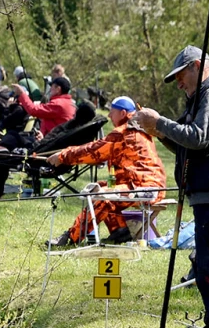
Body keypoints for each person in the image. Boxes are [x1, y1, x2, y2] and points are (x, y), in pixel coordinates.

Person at [131, 45, 209, 328]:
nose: (179, 84)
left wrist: (159, 123)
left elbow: (198, 137)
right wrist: (160, 133)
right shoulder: (202, 94)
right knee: (206, 260)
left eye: (181, 76)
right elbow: (189, 146)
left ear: (197, 66)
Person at [45, 96, 168, 246]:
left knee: (102, 195)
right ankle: (120, 232)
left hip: (147, 189)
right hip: (147, 186)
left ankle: (71, 238)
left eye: (112, 112)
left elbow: (94, 150)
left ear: (123, 113)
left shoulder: (125, 132)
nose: (109, 116)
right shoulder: (137, 129)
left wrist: (63, 156)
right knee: (100, 187)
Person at [0, 76, 76, 199]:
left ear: (58, 88)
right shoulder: (69, 104)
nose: (50, 89)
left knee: (3, 157)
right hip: (50, 144)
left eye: (52, 86)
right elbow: (57, 126)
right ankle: (0, 148)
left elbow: (33, 110)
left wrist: (22, 94)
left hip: (46, 152)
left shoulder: (59, 104)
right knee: (14, 137)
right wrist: (43, 135)